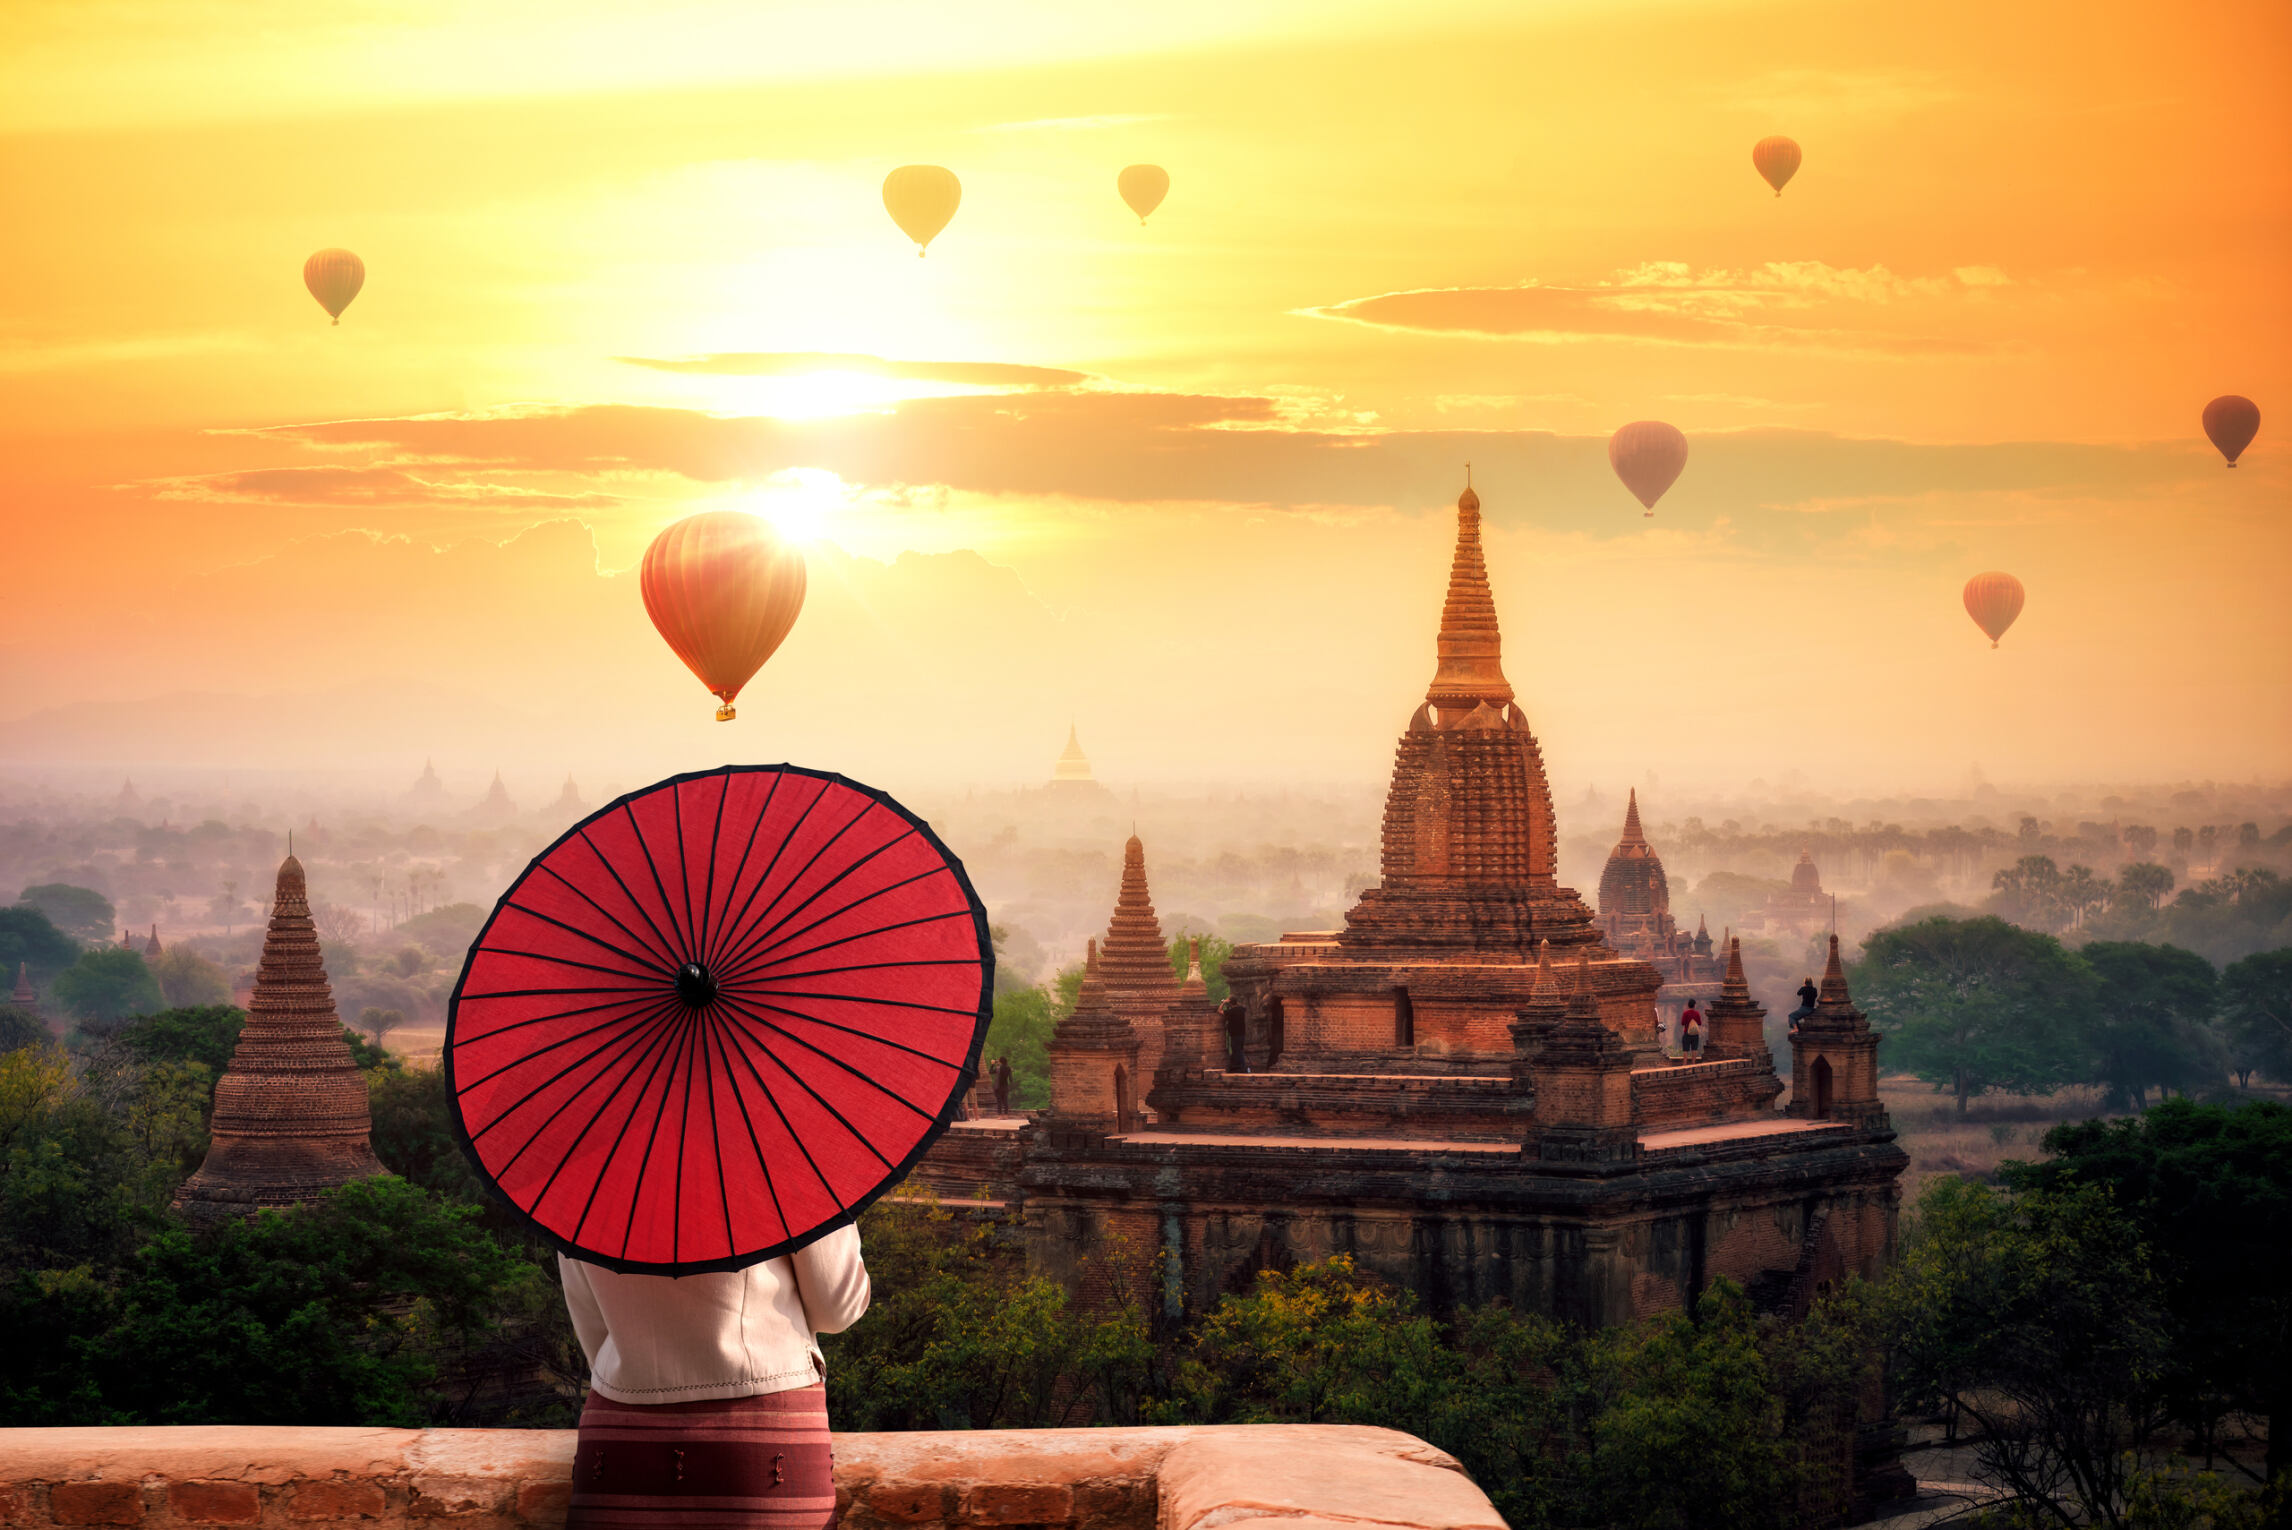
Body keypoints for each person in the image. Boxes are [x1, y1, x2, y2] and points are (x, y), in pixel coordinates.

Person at [560, 1225, 870, 1530]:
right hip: (764, 1434)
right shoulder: (784, 1173)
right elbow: (837, 1307)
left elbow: (592, 1326)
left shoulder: (575, 1181)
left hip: (617, 1437)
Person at [1218, 995, 1250, 1073]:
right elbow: (1241, 1006)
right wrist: (1231, 1001)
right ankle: (1241, 1067)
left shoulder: (1231, 1011)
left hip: (1235, 1034)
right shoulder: (1241, 1009)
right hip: (1242, 1033)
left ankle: (1242, 1068)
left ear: (1230, 1003)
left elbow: (1219, 1010)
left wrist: (1224, 1003)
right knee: (1240, 1050)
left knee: (1237, 1051)